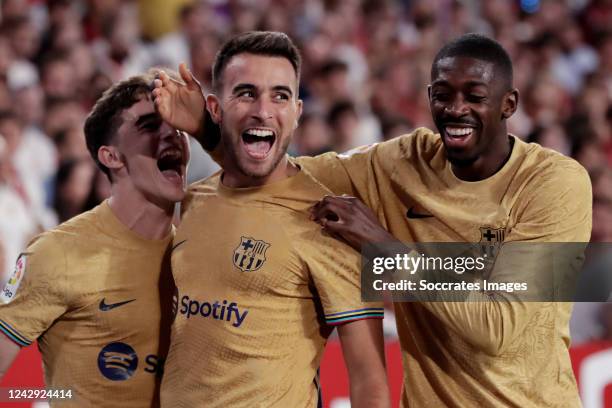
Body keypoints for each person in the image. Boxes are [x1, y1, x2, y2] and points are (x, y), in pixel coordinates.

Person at [155, 33, 592, 407]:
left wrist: (381, 244)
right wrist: (209, 129)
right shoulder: (399, 163)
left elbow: (497, 328)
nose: (457, 109)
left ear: (508, 104)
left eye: (475, 97)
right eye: (443, 95)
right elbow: (282, 176)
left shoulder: (554, 184)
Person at [153, 31, 390, 408]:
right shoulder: (194, 200)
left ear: (296, 113)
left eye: (280, 95)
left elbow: (370, 382)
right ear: (214, 108)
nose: (263, 109)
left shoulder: (331, 221)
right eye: (246, 93)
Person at [0, 71, 190, 407]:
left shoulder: (198, 255)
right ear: (111, 157)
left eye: (176, 127)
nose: (172, 137)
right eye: (149, 126)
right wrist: (52, 397)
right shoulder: (58, 253)